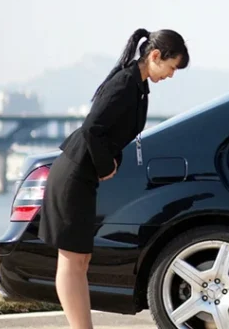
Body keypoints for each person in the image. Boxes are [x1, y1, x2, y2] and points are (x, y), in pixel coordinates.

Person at [37, 28, 188, 329]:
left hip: (82, 175)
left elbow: (110, 133)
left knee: (80, 260)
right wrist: (106, 166)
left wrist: (112, 160)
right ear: (156, 56)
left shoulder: (138, 85)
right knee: (72, 260)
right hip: (74, 175)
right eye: (171, 68)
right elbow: (92, 128)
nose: (171, 76)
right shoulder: (124, 83)